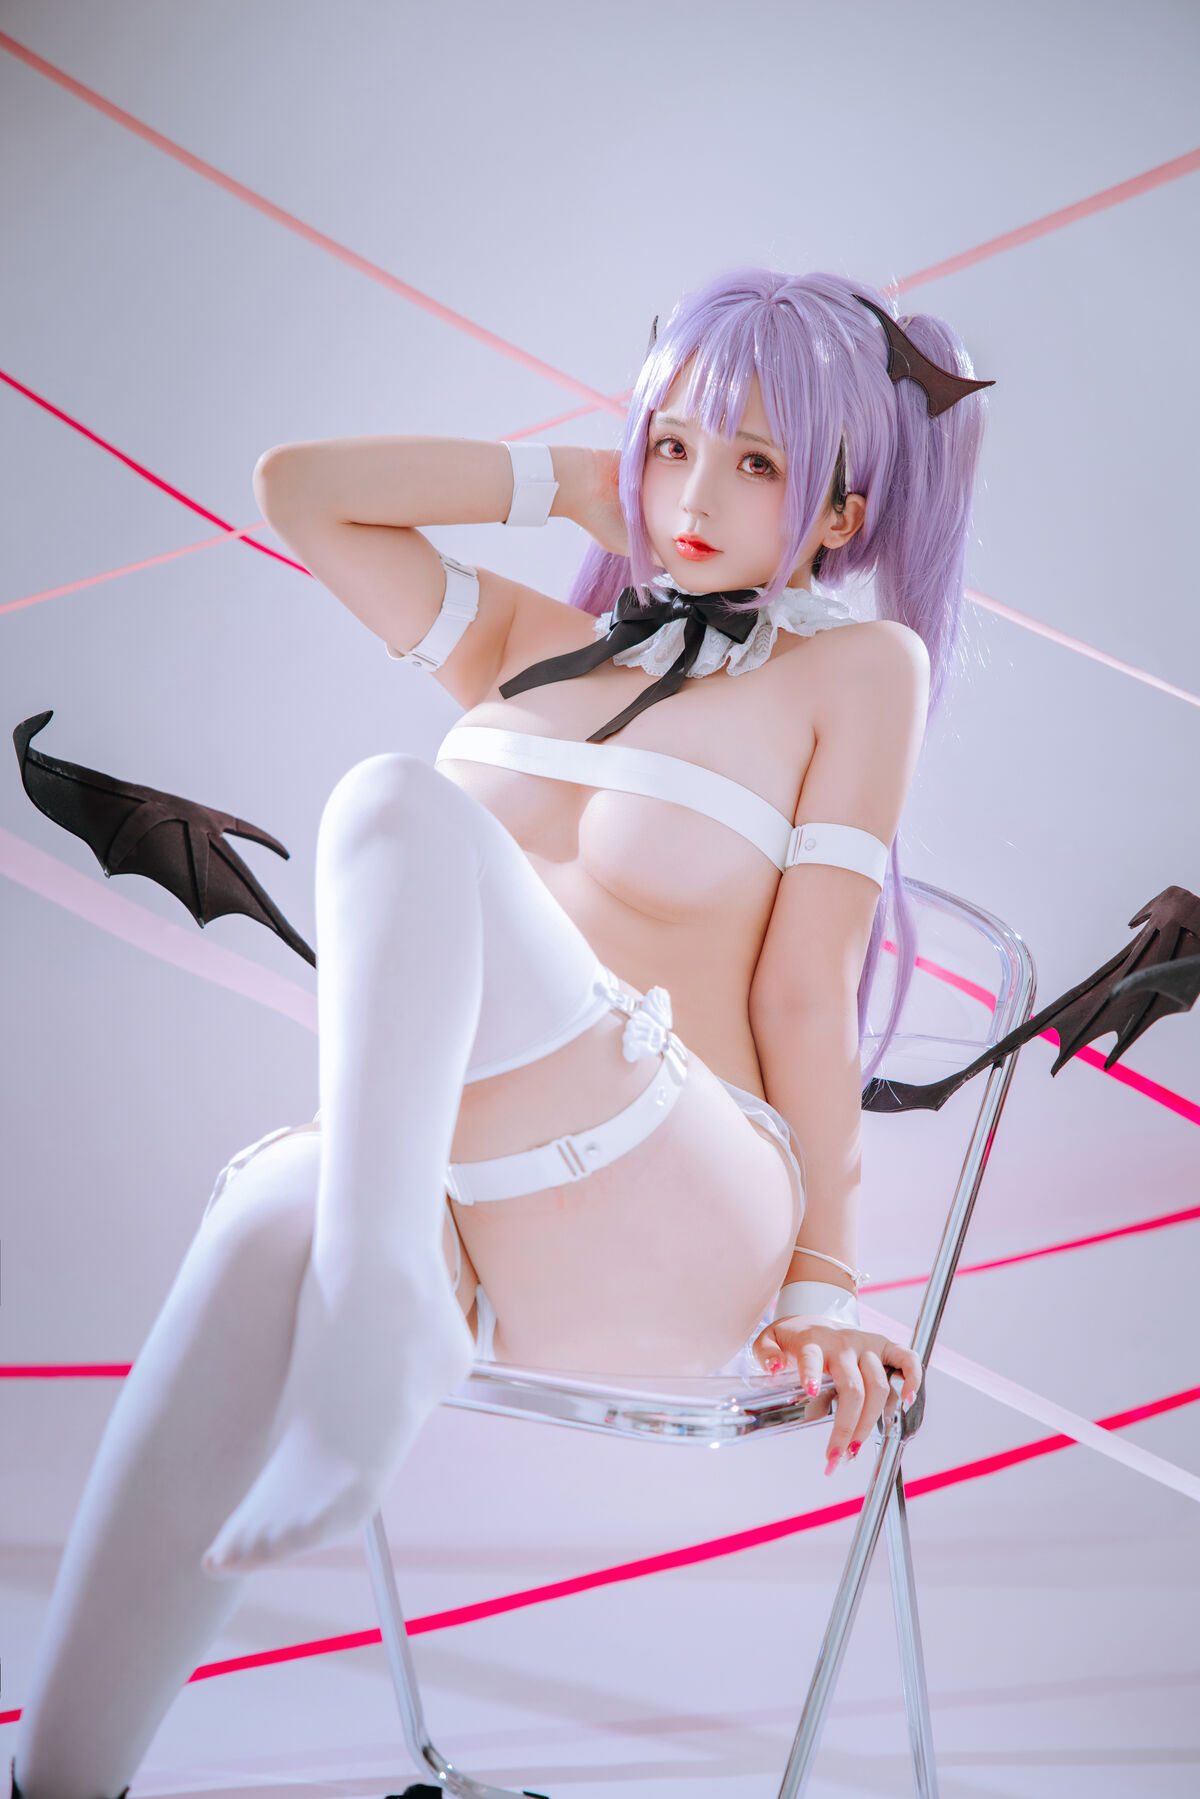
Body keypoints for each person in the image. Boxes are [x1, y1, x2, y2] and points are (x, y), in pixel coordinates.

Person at [12, 267, 989, 1799]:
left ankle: (379, 1303)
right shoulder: (531, 646)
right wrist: (571, 480)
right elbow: (301, 492)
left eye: (757, 462)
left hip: (683, 1203)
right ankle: (59, 1785)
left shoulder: (859, 673)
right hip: (462, 1200)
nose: (693, 497)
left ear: (845, 512)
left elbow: (809, 989)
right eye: (675, 443)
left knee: (390, 804)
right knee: (272, 1215)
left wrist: (831, 1279)